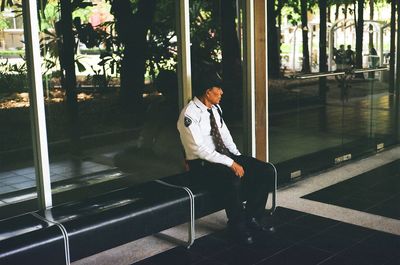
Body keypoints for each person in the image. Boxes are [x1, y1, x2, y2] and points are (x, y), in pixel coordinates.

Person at [177, 70, 275, 245]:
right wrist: (231, 163)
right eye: (218, 89)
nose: (222, 92)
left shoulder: (215, 108)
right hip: (202, 165)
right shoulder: (189, 115)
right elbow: (199, 150)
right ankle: (236, 227)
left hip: (222, 158)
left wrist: (237, 157)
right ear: (208, 92)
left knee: (265, 170)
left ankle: (252, 217)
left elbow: (225, 135)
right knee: (232, 177)